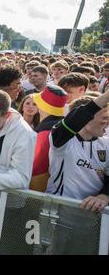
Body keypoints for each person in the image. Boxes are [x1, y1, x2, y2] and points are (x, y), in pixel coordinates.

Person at [45, 92, 109, 254]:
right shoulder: (62, 141)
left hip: (91, 220)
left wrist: (103, 196)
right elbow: (75, 119)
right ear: (87, 119)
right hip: (57, 216)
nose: (107, 122)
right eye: (104, 117)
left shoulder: (106, 144)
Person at [30, 85, 68, 191]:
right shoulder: (60, 126)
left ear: (43, 106)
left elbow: (37, 167)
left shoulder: (45, 133)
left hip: (40, 189)